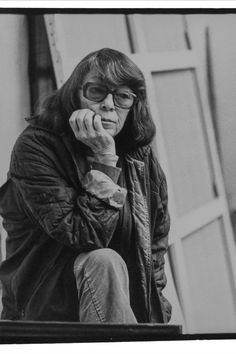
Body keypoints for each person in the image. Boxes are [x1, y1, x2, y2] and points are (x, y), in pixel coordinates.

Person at [0, 48, 171, 323]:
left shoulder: (140, 157)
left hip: (119, 314)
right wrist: (104, 162)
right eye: (96, 92)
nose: (108, 104)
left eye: (122, 96)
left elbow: (154, 250)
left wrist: (155, 321)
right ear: (74, 95)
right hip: (44, 310)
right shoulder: (36, 148)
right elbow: (84, 237)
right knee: (104, 261)